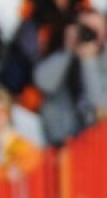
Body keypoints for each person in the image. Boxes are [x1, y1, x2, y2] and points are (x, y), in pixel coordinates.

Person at [0, 0, 94, 112]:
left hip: (72, 55)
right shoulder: (34, 0)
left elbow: (93, 30)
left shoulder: (81, 2)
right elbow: (27, 39)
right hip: (38, 58)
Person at [34, 8, 107, 145]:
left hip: (96, 142)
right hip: (61, 140)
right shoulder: (64, 55)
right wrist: (67, 52)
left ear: (104, 33)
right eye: (85, 28)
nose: (88, 34)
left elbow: (99, 104)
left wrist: (88, 61)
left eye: (94, 30)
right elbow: (43, 83)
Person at [0, 88, 41, 182]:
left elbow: (33, 159)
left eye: (2, 110)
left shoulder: (19, 142)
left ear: (8, 114)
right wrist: (5, 173)